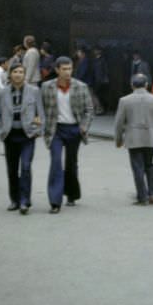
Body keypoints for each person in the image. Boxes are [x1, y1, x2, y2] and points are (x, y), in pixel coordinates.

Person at [41, 56, 94, 213]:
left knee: (71, 163)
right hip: (55, 129)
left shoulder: (81, 87)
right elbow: (41, 108)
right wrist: (41, 123)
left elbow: (89, 110)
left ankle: (71, 194)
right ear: (57, 70)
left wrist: (83, 127)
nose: (67, 72)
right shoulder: (46, 87)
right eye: (64, 69)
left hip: (74, 129)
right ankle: (55, 201)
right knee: (56, 163)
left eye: (69, 69)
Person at [0, 62, 44, 214]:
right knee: (12, 169)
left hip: (27, 135)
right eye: (15, 71)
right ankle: (14, 200)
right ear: (10, 74)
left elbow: (40, 114)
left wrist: (37, 130)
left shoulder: (34, 91)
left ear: (24, 74)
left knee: (26, 167)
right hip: (10, 135)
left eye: (21, 72)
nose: (18, 74)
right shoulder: (3, 92)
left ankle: (25, 201)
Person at [114, 73, 153, 205]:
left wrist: (118, 140)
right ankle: (152, 193)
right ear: (147, 85)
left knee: (137, 167)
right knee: (149, 165)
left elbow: (119, 123)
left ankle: (142, 196)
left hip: (133, 139)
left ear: (132, 85)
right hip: (151, 138)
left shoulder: (124, 100)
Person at [90, 46, 109, 114]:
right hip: (95, 80)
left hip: (101, 80)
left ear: (99, 51)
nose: (95, 52)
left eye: (96, 50)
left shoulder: (103, 60)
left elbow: (106, 70)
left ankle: (102, 109)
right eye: (94, 50)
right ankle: (99, 109)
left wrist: (104, 79)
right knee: (96, 94)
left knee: (101, 95)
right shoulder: (94, 60)